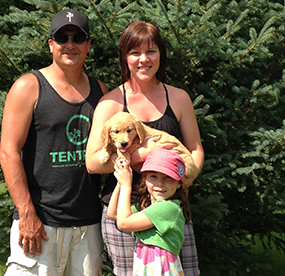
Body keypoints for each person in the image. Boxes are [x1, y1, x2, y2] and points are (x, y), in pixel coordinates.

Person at [86, 21, 204, 276]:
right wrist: (144, 154)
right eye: (134, 53)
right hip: (125, 211)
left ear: (161, 53)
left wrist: (183, 181)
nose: (144, 59)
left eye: (151, 51)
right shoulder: (111, 103)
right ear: (124, 58)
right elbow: (93, 163)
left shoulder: (179, 98)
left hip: (170, 208)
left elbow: (195, 150)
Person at [0, 8, 108, 276]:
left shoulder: (102, 92)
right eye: (62, 37)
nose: (70, 44)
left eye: (78, 37)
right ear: (51, 45)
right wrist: (26, 214)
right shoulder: (28, 87)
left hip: (88, 227)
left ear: (88, 45)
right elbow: (8, 151)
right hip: (39, 224)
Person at [108, 149, 191, 276]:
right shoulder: (149, 207)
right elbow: (113, 213)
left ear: (179, 183)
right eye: (153, 176)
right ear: (145, 179)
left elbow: (123, 223)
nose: (160, 183)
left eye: (168, 177)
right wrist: (121, 181)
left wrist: (126, 185)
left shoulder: (168, 208)